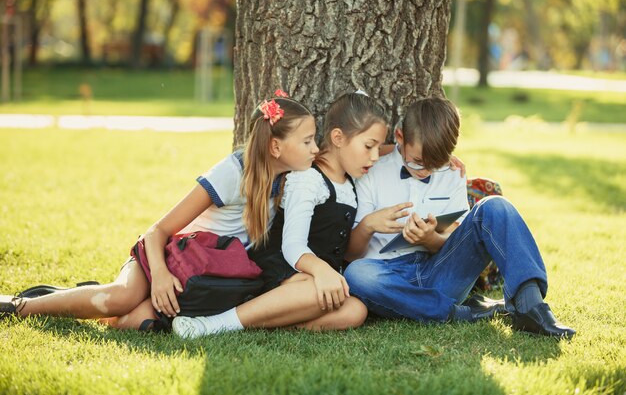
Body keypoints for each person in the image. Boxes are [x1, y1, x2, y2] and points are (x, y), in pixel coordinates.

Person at [0, 94, 319, 330]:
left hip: (200, 273)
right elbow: (158, 231)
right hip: (166, 256)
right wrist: (161, 277)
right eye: (307, 142)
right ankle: (22, 306)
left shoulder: (288, 178)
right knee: (121, 298)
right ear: (275, 148)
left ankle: (79, 295)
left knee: (132, 323)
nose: (315, 149)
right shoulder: (233, 172)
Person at [343, 96, 576, 339]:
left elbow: (455, 240)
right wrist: (369, 225)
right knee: (357, 274)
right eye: (419, 162)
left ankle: (531, 308)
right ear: (400, 137)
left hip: (440, 274)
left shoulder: (452, 173)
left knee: (496, 206)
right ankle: (460, 313)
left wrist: (430, 239)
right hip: (386, 277)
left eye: (435, 164)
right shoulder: (372, 170)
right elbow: (352, 254)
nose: (427, 171)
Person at [172, 91, 390, 338]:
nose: (375, 156)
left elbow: (384, 151)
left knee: (355, 311)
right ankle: (212, 324)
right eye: (369, 146)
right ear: (338, 138)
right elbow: (293, 245)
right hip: (281, 268)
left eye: (378, 148)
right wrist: (321, 270)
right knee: (313, 292)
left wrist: (414, 152)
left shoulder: (350, 182)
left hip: (313, 276)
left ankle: (259, 321)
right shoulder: (309, 179)